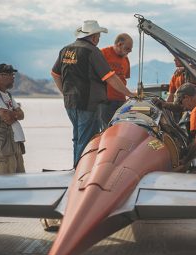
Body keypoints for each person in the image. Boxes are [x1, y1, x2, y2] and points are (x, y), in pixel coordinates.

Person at [51, 20, 135, 167]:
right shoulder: (92, 51)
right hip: (88, 103)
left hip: (70, 103)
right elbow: (110, 77)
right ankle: (81, 171)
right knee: (88, 140)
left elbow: (55, 74)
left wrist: (65, 93)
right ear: (94, 37)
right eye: (98, 36)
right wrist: (130, 94)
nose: (98, 39)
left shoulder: (66, 50)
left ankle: (76, 168)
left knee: (78, 138)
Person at [99, 33, 133, 130]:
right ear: (119, 44)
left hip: (121, 101)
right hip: (106, 102)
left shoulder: (126, 59)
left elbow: (124, 79)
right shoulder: (103, 54)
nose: (129, 52)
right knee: (107, 130)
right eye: (127, 49)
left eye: (130, 50)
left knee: (121, 130)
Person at [0, 63, 25, 174]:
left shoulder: (8, 95)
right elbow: (6, 116)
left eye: (13, 74)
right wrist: (13, 113)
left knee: (20, 179)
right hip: (4, 146)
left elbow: (21, 115)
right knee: (7, 181)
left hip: (16, 142)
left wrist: (11, 113)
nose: (13, 77)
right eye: (9, 74)